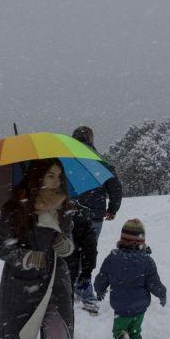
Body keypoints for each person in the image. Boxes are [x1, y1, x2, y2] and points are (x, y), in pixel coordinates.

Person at [0, 160, 76, 339]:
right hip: (23, 283)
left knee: (57, 331)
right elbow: (1, 246)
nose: (56, 181)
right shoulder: (15, 209)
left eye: (58, 176)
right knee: (15, 334)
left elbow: (69, 241)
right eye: (50, 176)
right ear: (37, 178)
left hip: (55, 280)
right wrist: (25, 257)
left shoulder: (63, 206)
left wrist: (65, 246)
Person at [93, 218, 167, 339]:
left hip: (121, 307)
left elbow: (102, 277)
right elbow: (154, 283)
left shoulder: (113, 257)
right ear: (142, 240)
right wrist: (162, 293)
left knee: (119, 331)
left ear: (122, 238)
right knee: (135, 330)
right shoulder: (147, 260)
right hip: (140, 306)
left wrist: (100, 290)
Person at [67, 126, 123, 315]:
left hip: (70, 214)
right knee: (87, 251)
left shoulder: (66, 161)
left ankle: (70, 287)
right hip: (94, 214)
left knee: (70, 251)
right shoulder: (99, 161)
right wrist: (112, 209)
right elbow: (114, 186)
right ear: (90, 138)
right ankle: (85, 292)